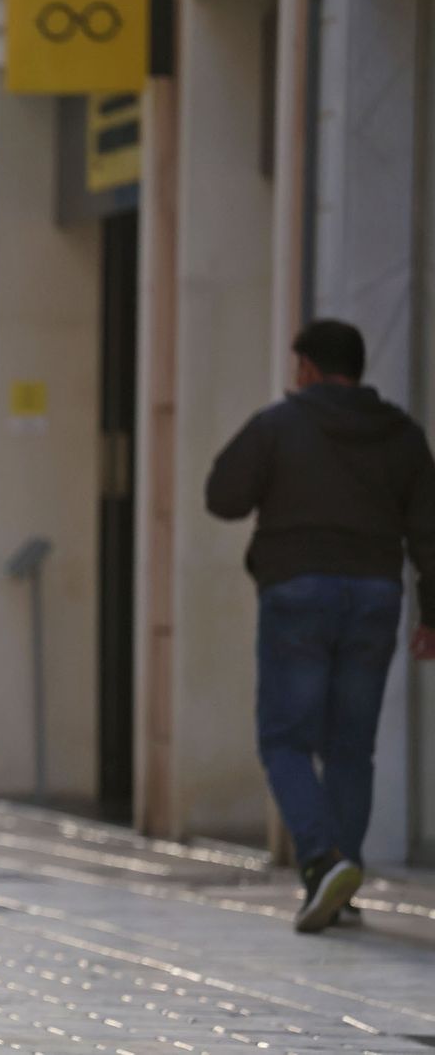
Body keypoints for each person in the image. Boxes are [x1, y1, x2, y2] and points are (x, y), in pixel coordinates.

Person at [206, 318, 435, 934]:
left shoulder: (279, 426)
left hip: (298, 590)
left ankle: (322, 861)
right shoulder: (404, 437)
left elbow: (222, 495)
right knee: (350, 747)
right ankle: (343, 879)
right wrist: (433, 613)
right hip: (375, 594)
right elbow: (429, 531)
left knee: (284, 740)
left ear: (306, 366)